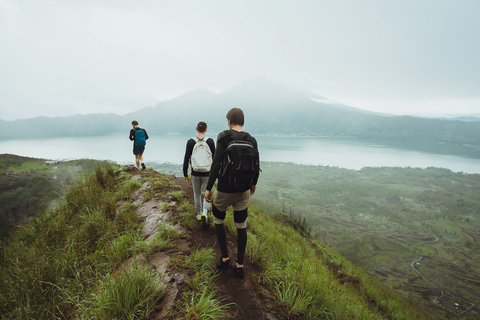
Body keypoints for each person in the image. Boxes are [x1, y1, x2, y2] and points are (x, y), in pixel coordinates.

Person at [205, 108, 259, 278]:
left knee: (218, 219)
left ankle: (226, 258)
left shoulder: (224, 137)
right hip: (243, 190)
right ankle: (240, 265)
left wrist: (208, 188)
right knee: (241, 226)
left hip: (225, 189)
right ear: (242, 121)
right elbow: (256, 164)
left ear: (229, 120)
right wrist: (253, 184)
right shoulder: (252, 139)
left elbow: (216, 164)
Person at [183, 121, 215, 226]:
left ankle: (199, 213)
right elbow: (215, 159)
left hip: (195, 172)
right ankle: (205, 213)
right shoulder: (210, 141)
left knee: (197, 194)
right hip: (207, 173)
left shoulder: (190, 142)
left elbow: (186, 158)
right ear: (206, 129)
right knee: (208, 193)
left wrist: (185, 173)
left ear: (196, 128)